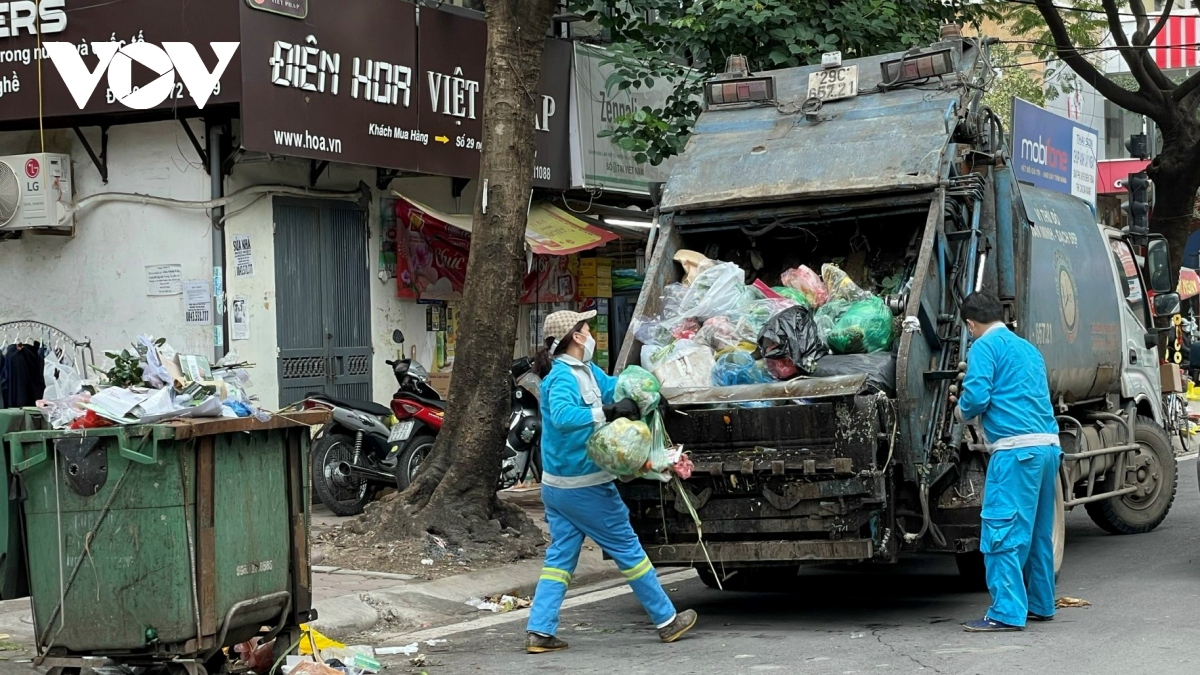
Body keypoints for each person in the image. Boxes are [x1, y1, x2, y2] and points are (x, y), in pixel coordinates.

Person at [524, 310, 698, 653]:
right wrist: (605, 412)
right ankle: (666, 620)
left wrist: (647, 393)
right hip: (584, 485)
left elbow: (615, 388)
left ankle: (539, 631)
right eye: (587, 328)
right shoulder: (561, 378)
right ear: (576, 336)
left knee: (560, 559)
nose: (591, 333)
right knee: (628, 549)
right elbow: (561, 416)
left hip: (559, 488)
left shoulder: (585, 371)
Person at [949, 291, 1062, 633]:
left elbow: (977, 398)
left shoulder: (983, 347)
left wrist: (959, 407)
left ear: (970, 324)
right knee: (1038, 532)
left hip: (1015, 452)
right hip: (1047, 447)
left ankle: (1006, 612)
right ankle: (1041, 604)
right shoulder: (1028, 348)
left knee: (1003, 532)